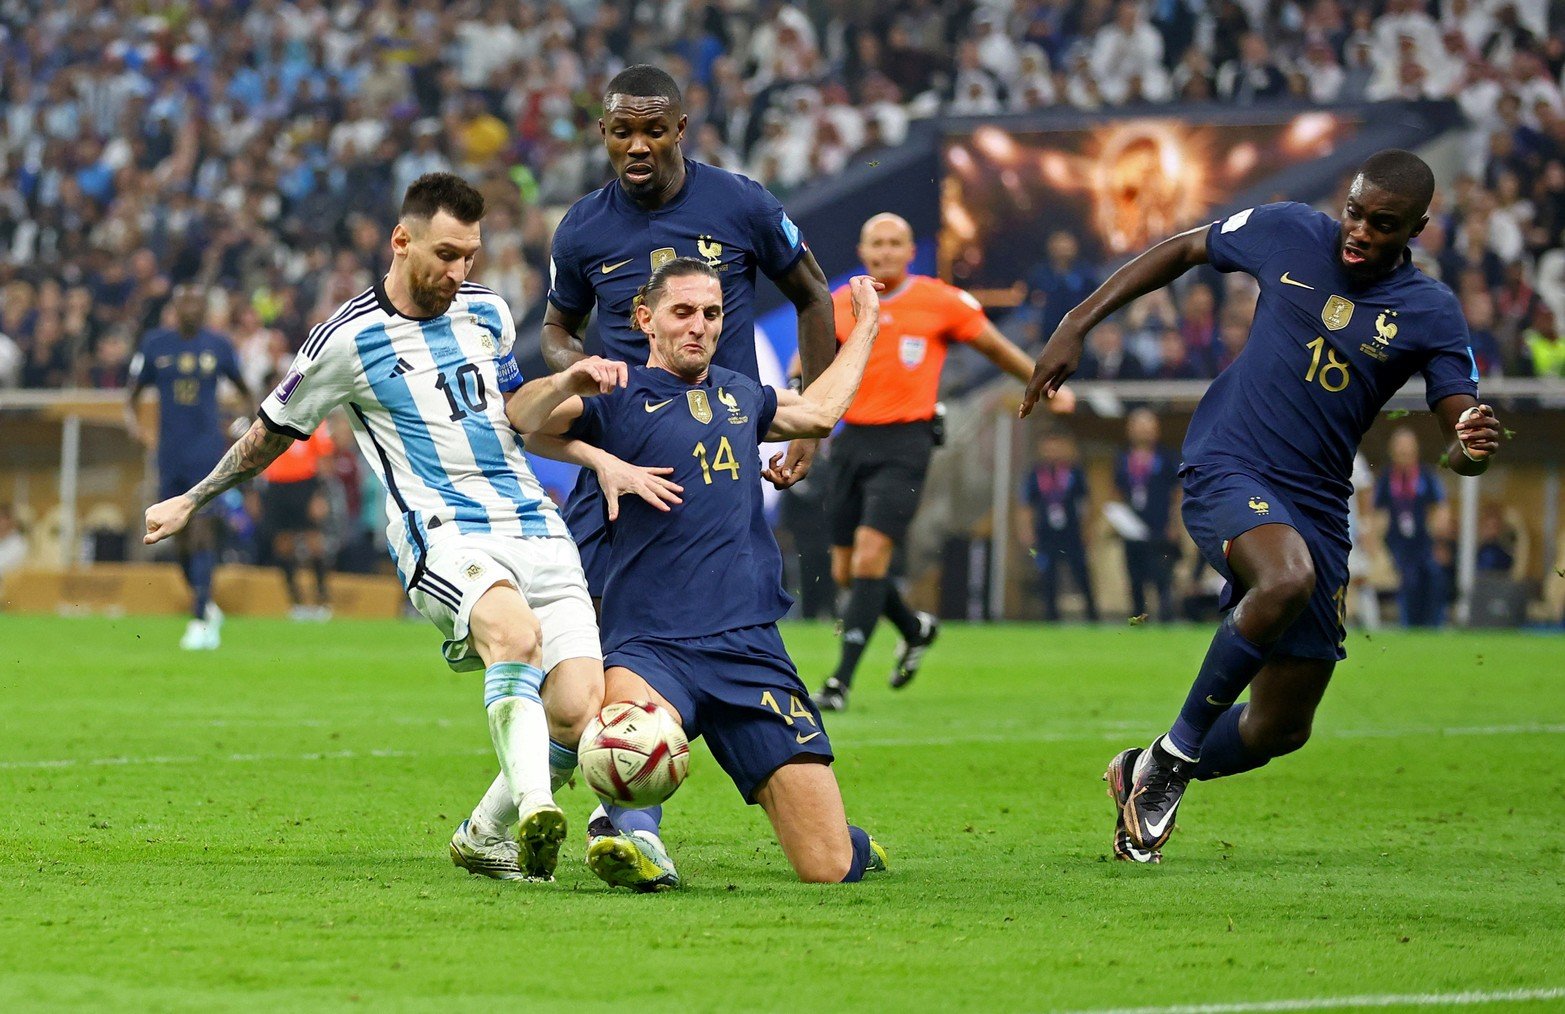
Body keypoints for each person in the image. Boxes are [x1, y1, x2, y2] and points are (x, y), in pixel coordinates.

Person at [144, 173, 666, 883]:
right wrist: (192, 501)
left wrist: (576, 405)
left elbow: (515, 413)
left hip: (534, 524)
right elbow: (269, 433)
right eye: (446, 255)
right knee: (513, 637)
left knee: (577, 713)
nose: (460, 272)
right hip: (441, 530)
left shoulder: (484, 313)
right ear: (401, 240)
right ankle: (541, 808)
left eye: (470, 257)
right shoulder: (344, 340)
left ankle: (485, 834)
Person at [1020, 149, 1502, 863]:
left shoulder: (1429, 311)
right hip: (1227, 461)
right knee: (1283, 577)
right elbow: (1184, 248)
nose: (1360, 232)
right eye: (1355, 212)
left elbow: (1459, 436)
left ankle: (1140, 764)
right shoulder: (1287, 231)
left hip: (1316, 502)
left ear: (1416, 228)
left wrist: (1470, 444)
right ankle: (1169, 769)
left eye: (1383, 224)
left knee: (1280, 726)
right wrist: (1076, 321)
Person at [517, 258, 888, 889]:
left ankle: (848, 841)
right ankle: (631, 840)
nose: (699, 326)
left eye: (711, 314)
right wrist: (567, 383)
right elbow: (521, 418)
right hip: (651, 643)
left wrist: (869, 327)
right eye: (682, 312)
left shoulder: (743, 395)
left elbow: (821, 414)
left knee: (828, 868)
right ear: (646, 320)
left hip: (750, 650)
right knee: (626, 742)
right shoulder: (621, 394)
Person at [541, 64, 835, 607]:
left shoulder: (742, 204)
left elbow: (814, 296)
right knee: (589, 613)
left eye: (652, 131)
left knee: (723, 615)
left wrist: (809, 426)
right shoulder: (581, 228)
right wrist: (579, 371)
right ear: (603, 132)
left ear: (680, 129)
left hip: (717, 445)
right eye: (622, 132)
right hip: (625, 446)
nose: (636, 146)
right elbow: (557, 328)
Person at [812, 212, 1037, 712]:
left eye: (896, 243)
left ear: (911, 252)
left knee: (872, 557)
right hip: (851, 442)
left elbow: (997, 348)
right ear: (863, 251)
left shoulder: (939, 300)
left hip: (906, 443)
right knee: (847, 570)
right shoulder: (838, 305)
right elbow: (811, 362)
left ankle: (839, 683)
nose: (886, 252)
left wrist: (1043, 384)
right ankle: (914, 629)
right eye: (877, 244)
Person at [126, 284, 252, 650]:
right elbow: (131, 397)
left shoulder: (218, 345)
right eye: (185, 303)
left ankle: (199, 618)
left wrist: (239, 429)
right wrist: (142, 433)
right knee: (175, 539)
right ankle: (205, 604)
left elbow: (246, 393)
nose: (192, 310)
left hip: (208, 455)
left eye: (198, 304)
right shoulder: (155, 344)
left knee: (202, 533)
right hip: (170, 456)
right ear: (175, 308)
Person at [1016, 432, 1099, 623]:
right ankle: (1051, 618)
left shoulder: (1074, 473)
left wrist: (1088, 529)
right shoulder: (1035, 474)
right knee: (1048, 577)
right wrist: (1026, 531)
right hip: (1045, 535)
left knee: (1082, 574)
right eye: (1048, 446)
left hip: (1072, 534)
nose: (1052, 450)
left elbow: (1086, 503)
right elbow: (1026, 505)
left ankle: (1092, 616)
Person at [260, 420, 335, 620]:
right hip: (277, 485)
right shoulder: (272, 414)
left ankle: (322, 600)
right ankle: (296, 602)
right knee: (283, 545)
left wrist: (320, 493)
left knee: (314, 544)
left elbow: (325, 457)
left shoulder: (313, 417)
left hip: (305, 484)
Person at [1375, 427, 1447, 627]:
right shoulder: (1386, 479)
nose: (1404, 452)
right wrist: (1377, 550)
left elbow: (1440, 509)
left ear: (1415, 449)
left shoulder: (1427, 476)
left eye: (1407, 447)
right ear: (1392, 451)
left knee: (1433, 579)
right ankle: (1407, 628)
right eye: (1399, 448)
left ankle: (1434, 627)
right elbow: (1378, 514)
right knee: (1407, 583)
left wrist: (1440, 540)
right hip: (1396, 545)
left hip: (1424, 543)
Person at [1114, 408, 1181, 623]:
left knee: (1161, 578)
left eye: (1148, 427)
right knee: (1135, 579)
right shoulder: (1123, 458)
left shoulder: (1167, 457)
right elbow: (1117, 492)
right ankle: (1137, 621)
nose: (1143, 432)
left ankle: (1166, 621)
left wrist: (1174, 524)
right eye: (1138, 427)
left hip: (1159, 527)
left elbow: (1176, 493)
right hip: (1132, 529)